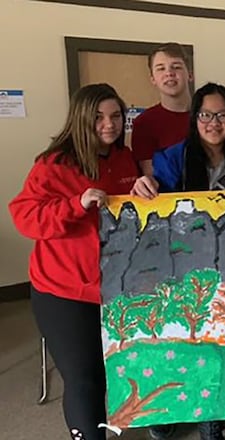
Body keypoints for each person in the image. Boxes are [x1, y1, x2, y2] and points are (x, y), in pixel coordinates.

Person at [132, 83, 225, 440]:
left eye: (222, 115)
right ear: (195, 118)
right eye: (206, 114)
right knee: (205, 352)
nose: (214, 122)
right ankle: (211, 428)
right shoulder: (173, 157)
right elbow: (155, 202)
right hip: (195, 270)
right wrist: (144, 187)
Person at [8, 83, 140, 440]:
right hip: (63, 291)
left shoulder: (124, 158)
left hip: (113, 288)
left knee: (116, 371)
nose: (109, 125)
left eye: (115, 117)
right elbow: (25, 217)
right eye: (98, 117)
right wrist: (74, 205)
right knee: (84, 379)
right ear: (82, 119)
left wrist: (144, 191)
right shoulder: (53, 164)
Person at [131, 42, 193, 177]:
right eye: (161, 68)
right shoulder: (144, 123)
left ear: (190, 74)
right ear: (153, 79)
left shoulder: (209, 115)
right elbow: (151, 176)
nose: (169, 73)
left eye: (176, 67)